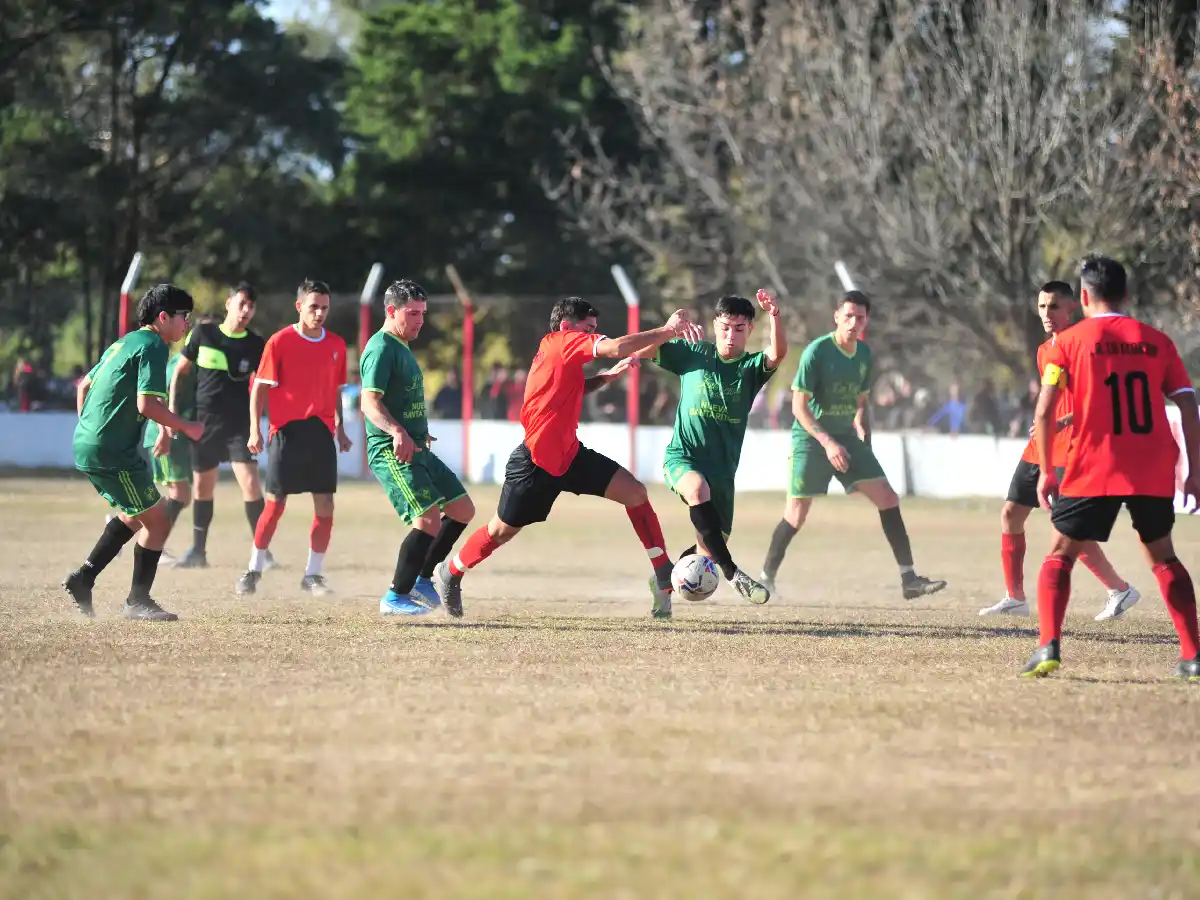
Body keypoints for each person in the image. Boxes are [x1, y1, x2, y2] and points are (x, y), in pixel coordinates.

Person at [429, 297, 704, 618]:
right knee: (500, 531)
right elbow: (616, 347)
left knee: (635, 493)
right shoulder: (559, 342)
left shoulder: (562, 356)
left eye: (594, 330)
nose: (593, 336)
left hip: (571, 456)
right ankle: (451, 571)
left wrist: (604, 379)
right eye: (588, 330)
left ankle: (662, 571)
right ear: (565, 327)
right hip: (535, 464)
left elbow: (569, 389)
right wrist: (669, 330)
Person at [1021, 255, 1200, 680]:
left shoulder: (1067, 343)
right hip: (1151, 465)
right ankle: (1193, 655)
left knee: (1060, 554)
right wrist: (1194, 469)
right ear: (1127, 294)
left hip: (1093, 463)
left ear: (1083, 297)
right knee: (1163, 554)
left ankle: (1048, 647)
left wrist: (1046, 471)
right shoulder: (1157, 341)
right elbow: (1188, 404)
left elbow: (1044, 411)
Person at [759, 291, 947, 600]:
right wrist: (827, 443)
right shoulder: (817, 352)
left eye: (859, 317)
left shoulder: (864, 355)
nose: (853, 322)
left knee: (888, 497)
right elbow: (799, 407)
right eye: (847, 316)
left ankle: (909, 580)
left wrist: (864, 437)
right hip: (811, 439)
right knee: (796, 514)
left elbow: (861, 402)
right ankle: (766, 579)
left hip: (846, 438)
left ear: (866, 320)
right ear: (836, 317)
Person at [981, 282, 1140, 620]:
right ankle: (1015, 597)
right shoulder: (1045, 350)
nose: (1046, 313)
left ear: (1072, 308)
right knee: (1011, 514)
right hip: (1042, 446)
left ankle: (1119, 589)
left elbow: (1100, 400)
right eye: (1042, 306)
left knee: (1066, 528)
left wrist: (1062, 420)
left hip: (1072, 448)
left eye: (1054, 306)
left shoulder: (1084, 345)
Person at [62, 284, 205, 620]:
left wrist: (91, 429)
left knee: (137, 513)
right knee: (159, 520)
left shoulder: (124, 343)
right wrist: (186, 426)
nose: (187, 324)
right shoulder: (155, 345)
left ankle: (84, 578)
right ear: (164, 317)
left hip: (91, 443)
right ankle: (137, 602)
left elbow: (84, 386)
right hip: (112, 450)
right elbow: (146, 404)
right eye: (184, 316)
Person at [639, 290, 786, 613]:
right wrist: (669, 329)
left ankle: (663, 580)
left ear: (749, 330)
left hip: (723, 472)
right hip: (683, 457)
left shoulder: (751, 367)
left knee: (707, 554)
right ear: (714, 325)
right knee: (696, 488)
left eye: (739, 328)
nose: (731, 335)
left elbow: (777, 353)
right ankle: (733, 573)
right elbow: (644, 348)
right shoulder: (694, 353)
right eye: (725, 327)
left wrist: (775, 314)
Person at [359, 279, 477, 616]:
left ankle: (423, 578)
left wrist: (417, 431)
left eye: (423, 313)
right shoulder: (381, 347)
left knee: (462, 510)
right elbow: (369, 403)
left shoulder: (402, 345)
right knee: (427, 520)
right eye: (412, 313)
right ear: (391, 311)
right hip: (391, 449)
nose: (420, 320)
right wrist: (397, 431)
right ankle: (395, 596)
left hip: (417, 446)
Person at [235, 280, 352, 597]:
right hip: (286, 434)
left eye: (325, 308)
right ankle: (253, 569)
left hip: (321, 434)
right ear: (299, 306)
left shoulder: (337, 345)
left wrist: (340, 428)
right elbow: (259, 389)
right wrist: (254, 429)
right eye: (314, 307)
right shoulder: (280, 341)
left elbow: (336, 390)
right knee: (274, 505)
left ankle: (313, 575)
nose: (320, 313)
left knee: (325, 505)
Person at [169, 282, 267, 568]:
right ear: (228, 303)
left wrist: (256, 427)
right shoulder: (204, 334)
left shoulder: (256, 344)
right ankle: (198, 552)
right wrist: (173, 412)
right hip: (205, 424)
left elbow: (262, 386)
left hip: (239, 425)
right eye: (241, 304)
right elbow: (180, 373)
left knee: (251, 484)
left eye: (251, 306)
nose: (246, 310)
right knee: (203, 488)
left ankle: (263, 552)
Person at [139, 341, 198, 561]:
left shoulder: (192, 366)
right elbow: (157, 400)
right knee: (180, 495)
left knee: (182, 496)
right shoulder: (179, 366)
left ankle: (124, 521)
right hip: (165, 436)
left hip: (176, 438)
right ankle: (154, 545)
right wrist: (165, 432)